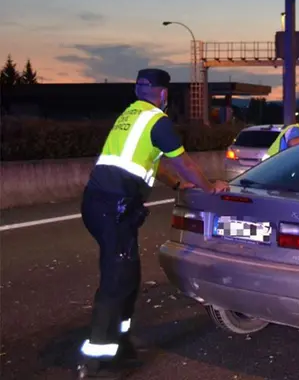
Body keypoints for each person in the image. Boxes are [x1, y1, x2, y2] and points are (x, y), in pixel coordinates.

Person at [77, 69, 229, 378]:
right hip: (112, 207)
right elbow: (184, 162)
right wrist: (209, 186)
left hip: (102, 204)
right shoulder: (157, 121)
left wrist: (175, 185)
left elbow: (154, 163)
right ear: (163, 94)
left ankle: (119, 344)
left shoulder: (131, 115)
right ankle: (97, 359)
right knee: (117, 279)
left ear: (139, 89)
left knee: (129, 276)